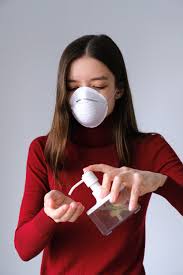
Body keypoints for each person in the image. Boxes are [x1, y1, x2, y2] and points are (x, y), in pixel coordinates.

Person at [14, 34, 183, 275]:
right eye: (73, 87)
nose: (85, 98)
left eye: (98, 86)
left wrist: (159, 182)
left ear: (119, 89)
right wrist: (48, 216)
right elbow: (23, 248)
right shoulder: (44, 150)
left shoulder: (150, 148)